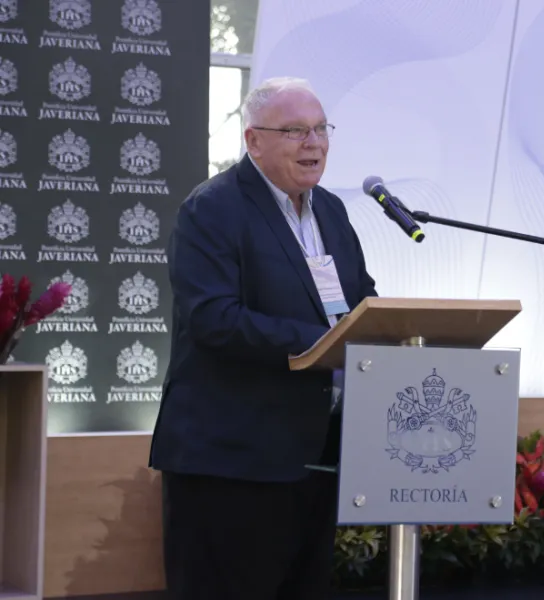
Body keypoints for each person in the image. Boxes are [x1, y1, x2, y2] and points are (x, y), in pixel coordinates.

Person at [148, 76, 378, 600]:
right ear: (253, 141)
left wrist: (385, 332)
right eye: (295, 131)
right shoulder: (212, 208)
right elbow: (214, 319)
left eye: (321, 129)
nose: (314, 143)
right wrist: (325, 342)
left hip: (315, 455)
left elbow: (360, 299)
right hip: (232, 461)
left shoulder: (331, 210)